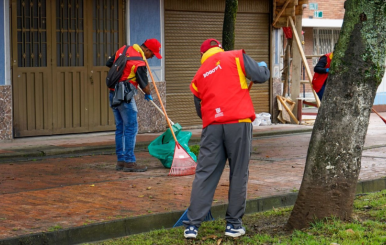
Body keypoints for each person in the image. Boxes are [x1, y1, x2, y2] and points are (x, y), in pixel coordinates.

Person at [183, 39, 270, 239]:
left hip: (212, 126)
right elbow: (260, 75)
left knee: (205, 174)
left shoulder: (199, 75)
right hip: (238, 122)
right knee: (238, 172)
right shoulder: (235, 56)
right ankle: (233, 225)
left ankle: (192, 226)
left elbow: (200, 110)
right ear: (220, 49)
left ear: (202, 55)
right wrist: (264, 67)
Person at [106, 38, 162, 172]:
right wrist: (148, 94)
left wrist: (124, 73)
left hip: (113, 93)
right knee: (131, 128)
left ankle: (121, 161)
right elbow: (145, 86)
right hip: (125, 96)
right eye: (152, 54)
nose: (152, 57)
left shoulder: (123, 49)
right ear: (146, 50)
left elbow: (109, 63)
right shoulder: (139, 62)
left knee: (120, 128)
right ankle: (130, 162)